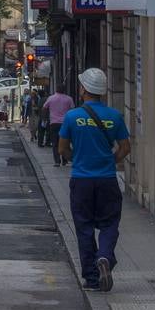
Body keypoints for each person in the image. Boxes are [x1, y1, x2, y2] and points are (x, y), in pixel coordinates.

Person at [58, 68, 130, 292]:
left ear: (83, 90)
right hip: (107, 179)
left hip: (82, 180)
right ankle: (105, 256)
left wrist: (77, 159)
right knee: (110, 223)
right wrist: (109, 161)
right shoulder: (115, 116)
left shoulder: (72, 117)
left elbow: (62, 149)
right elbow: (125, 148)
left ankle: (91, 278)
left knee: (84, 227)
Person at [43, 86, 75, 166]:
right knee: (65, 142)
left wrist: (45, 118)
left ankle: (57, 161)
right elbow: (73, 109)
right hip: (65, 123)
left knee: (55, 143)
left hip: (54, 123)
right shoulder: (69, 99)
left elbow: (44, 107)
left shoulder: (51, 98)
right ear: (64, 90)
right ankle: (65, 160)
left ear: (56, 90)